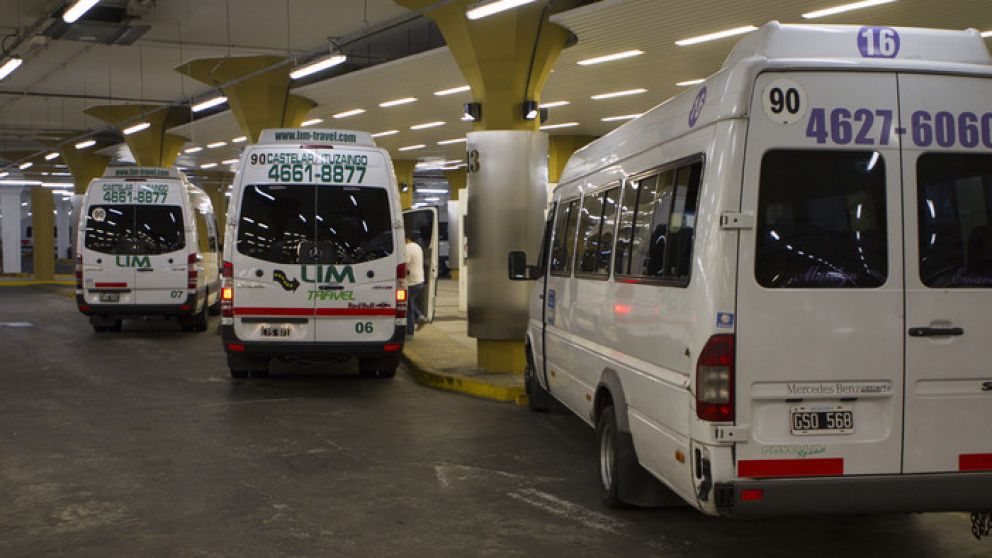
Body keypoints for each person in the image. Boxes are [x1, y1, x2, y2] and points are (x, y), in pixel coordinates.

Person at [404, 234, 425, 335]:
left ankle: (409, 333)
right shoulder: (417, 246)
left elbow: (404, 265)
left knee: (408, 308)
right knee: (409, 303)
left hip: (411, 282)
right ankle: (419, 316)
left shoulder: (407, 248)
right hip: (419, 280)